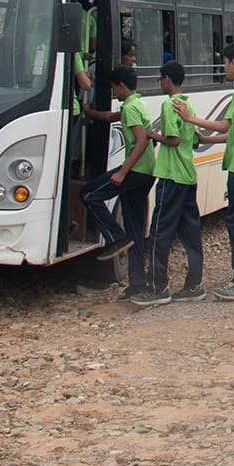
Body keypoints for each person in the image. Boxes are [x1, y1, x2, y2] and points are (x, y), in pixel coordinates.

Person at [173, 42, 234, 301]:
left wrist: (189, 118)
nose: (223, 67)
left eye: (225, 62)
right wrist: (206, 139)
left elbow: (225, 125)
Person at [79, 66, 153, 299]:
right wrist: (88, 112)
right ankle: (137, 283)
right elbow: (110, 117)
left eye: (113, 88)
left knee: (89, 194)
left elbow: (141, 141)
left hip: (135, 172)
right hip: (147, 173)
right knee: (135, 229)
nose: (113, 92)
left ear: (121, 86)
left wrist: (122, 172)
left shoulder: (130, 108)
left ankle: (115, 238)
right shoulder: (137, 104)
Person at [135, 62, 204, 306]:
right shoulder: (188, 104)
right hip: (188, 175)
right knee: (191, 232)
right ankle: (194, 284)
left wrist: (152, 135)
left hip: (171, 175)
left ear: (167, 79)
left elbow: (173, 140)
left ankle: (157, 287)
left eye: (160, 79)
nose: (160, 83)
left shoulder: (168, 104)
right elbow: (194, 141)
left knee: (159, 233)